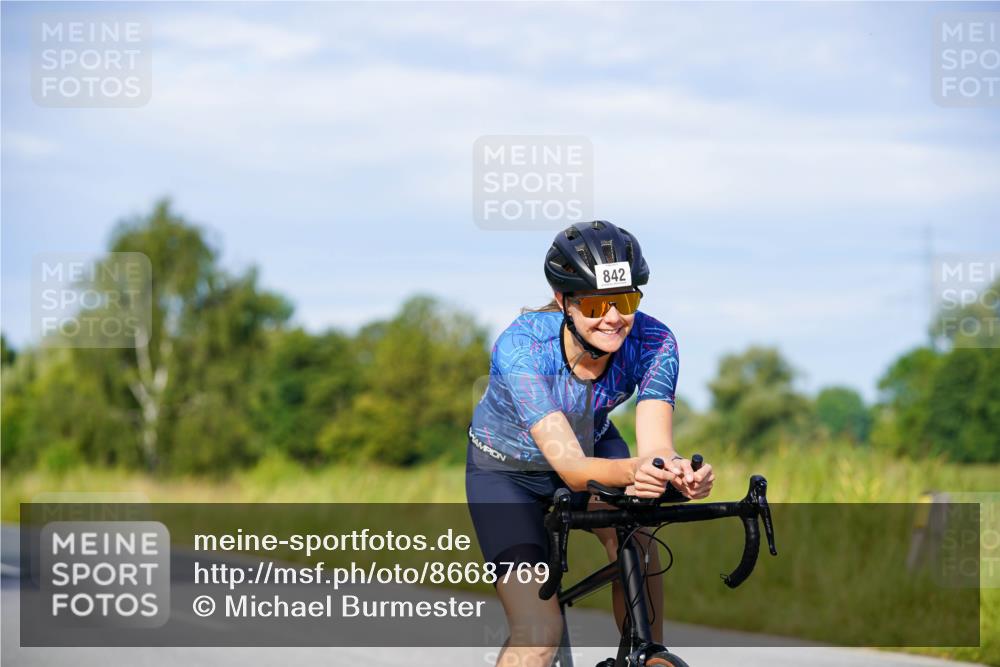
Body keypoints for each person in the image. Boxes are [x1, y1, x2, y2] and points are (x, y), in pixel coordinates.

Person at [466, 220, 715, 667]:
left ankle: (646, 651)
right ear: (563, 301)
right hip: (507, 474)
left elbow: (656, 446)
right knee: (539, 634)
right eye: (597, 304)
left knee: (636, 540)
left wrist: (676, 471)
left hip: (594, 444)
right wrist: (637, 471)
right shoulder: (522, 347)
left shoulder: (655, 341)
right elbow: (574, 471)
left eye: (624, 300)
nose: (613, 317)